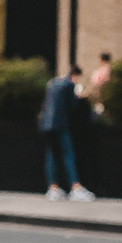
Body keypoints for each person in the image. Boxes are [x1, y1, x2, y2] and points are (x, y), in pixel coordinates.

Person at [38, 65, 94, 200]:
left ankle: (53, 188)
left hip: (46, 124)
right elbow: (73, 105)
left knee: (52, 154)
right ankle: (75, 187)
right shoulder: (69, 85)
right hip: (60, 124)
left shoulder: (52, 83)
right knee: (68, 154)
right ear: (76, 75)